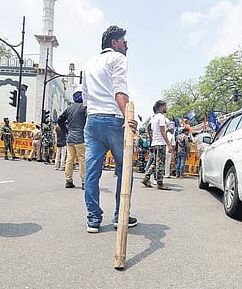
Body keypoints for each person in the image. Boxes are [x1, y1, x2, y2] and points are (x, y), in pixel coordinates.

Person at [82, 25, 138, 233]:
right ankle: (120, 215)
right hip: (114, 120)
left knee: (91, 172)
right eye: (124, 42)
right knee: (124, 170)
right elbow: (120, 90)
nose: (126, 46)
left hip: (93, 121)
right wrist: (128, 117)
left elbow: (86, 97)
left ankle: (93, 219)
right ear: (114, 43)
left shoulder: (89, 64)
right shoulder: (117, 59)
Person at [57, 86, 86, 189]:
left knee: (69, 159)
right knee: (82, 159)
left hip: (70, 138)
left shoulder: (69, 108)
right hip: (81, 137)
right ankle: (84, 181)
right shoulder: (84, 108)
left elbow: (60, 120)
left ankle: (68, 180)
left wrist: (66, 131)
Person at [141, 100, 173, 190]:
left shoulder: (153, 118)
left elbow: (150, 132)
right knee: (160, 164)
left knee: (155, 163)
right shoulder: (161, 117)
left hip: (154, 143)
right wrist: (169, 144)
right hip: (160, 143)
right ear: (161, 107)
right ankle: (160, 183)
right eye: (165, 106)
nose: (166, 108)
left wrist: (151, 143)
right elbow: (163, 131)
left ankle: (146, 178)